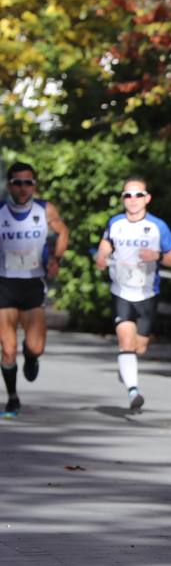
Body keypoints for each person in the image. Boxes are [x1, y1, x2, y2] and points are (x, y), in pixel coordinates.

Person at [93, 176, 171, 413]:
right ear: (122, 199)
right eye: (128, 195)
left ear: (147, 198)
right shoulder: (116, 223)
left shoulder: (157, 227)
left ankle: (126, 369)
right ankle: (133, 391)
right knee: (125, 342)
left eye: (138, 195)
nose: (133, 200)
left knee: (139, 347)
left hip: (147, 293)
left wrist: (158, 256)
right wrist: (100, 258)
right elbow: (105, 246)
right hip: (121, 291)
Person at [0, 162, 69, 416]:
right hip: (4, 283)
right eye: (17, 182)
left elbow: (62, 232)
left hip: (32, 284)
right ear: (9, 185)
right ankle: (13, 398)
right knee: (7, 348)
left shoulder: (45, 209)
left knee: (36, 347)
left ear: (34, 186)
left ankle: (30, 359)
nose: (22, 188)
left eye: (28, 182)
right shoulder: (1, 211)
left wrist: (56, 259)